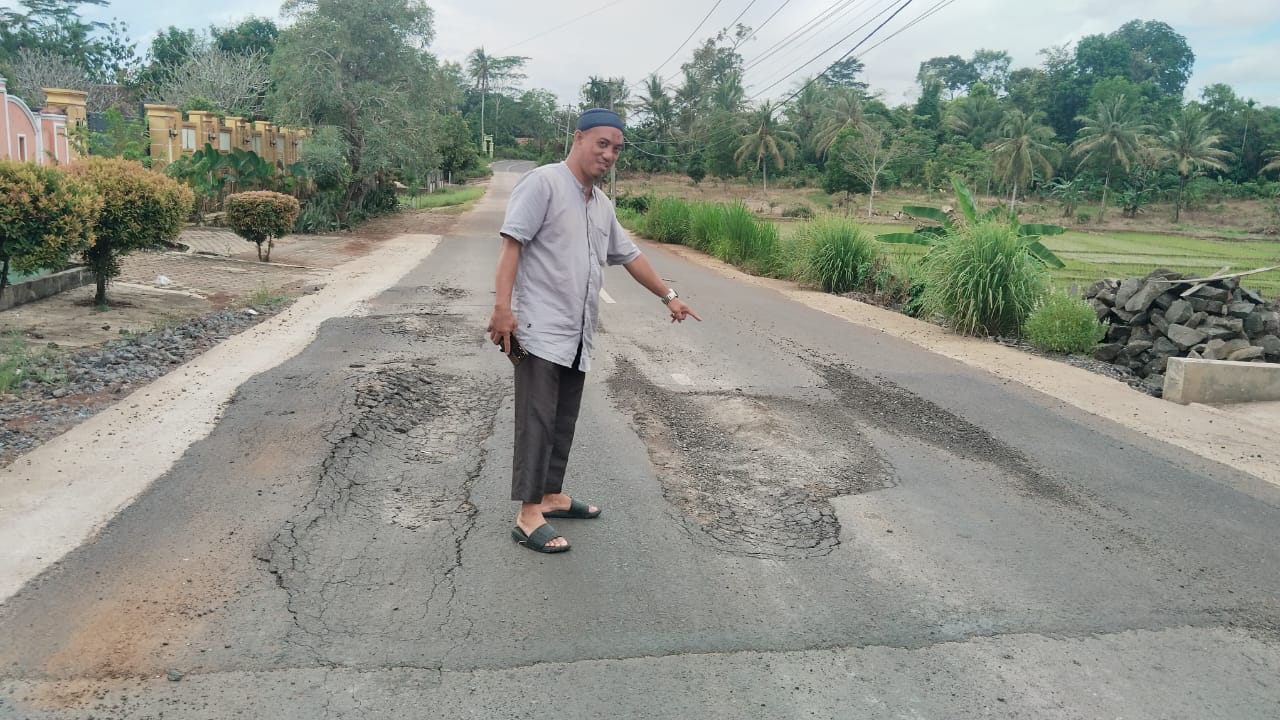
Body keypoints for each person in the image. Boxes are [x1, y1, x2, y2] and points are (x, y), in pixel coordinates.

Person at [487, 107, 700, 554]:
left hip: (577, 331)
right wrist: (502, 308)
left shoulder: (601, 205)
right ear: (579, 139)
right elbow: (513, 244)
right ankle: (527, 516)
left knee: (563, 418)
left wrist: (669, 296)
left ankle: (549, 495)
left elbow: (630, 256)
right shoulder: (543, 183)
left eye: (617, 149)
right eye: (602, 144)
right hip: (537, 328)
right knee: (537, 419)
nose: (609, 155)